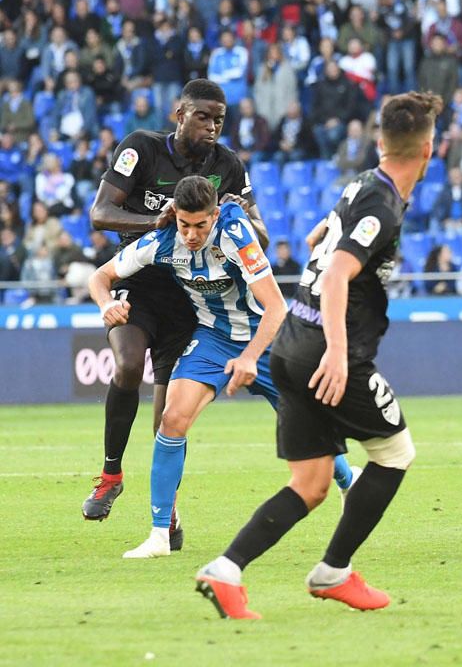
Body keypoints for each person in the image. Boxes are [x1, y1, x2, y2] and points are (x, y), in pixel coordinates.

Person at [195, 91, 443, 618]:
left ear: (380, 143)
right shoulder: (383, 202)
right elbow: (334, 272)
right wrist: (336, 350)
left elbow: (317, 238)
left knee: (309, 484)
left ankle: (225, 570)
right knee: (395, 454)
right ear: (429, 149)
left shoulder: (360, 184)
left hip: (288, 344)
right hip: (326, 352)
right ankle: (333, 572)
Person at [88, 177, 356, 558]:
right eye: (185, 225)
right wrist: (104, 305)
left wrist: (249, 357)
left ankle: (349, 480)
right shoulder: (162, 240)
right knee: (172, 419)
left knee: (308, 429)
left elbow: (276, 307)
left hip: (268, 337)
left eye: (201, 225)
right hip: (214, 338)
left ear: (214, 216)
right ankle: (160, 535)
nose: (192, 234)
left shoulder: (236, 234)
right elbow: (100, 276)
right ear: (174, 216)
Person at [80, 80, 267, 528]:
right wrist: (158, 223)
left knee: (169, 415)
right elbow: (100, 213)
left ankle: (168, 510)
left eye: (219, 119)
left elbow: (261, 234)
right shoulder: (141, 149)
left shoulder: (228, 165)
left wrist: (240, 215)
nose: (212, 126)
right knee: (126, 366)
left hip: (192, 292)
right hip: (139, 276)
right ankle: (110, 475)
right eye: (203, 116)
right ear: (178, 114)